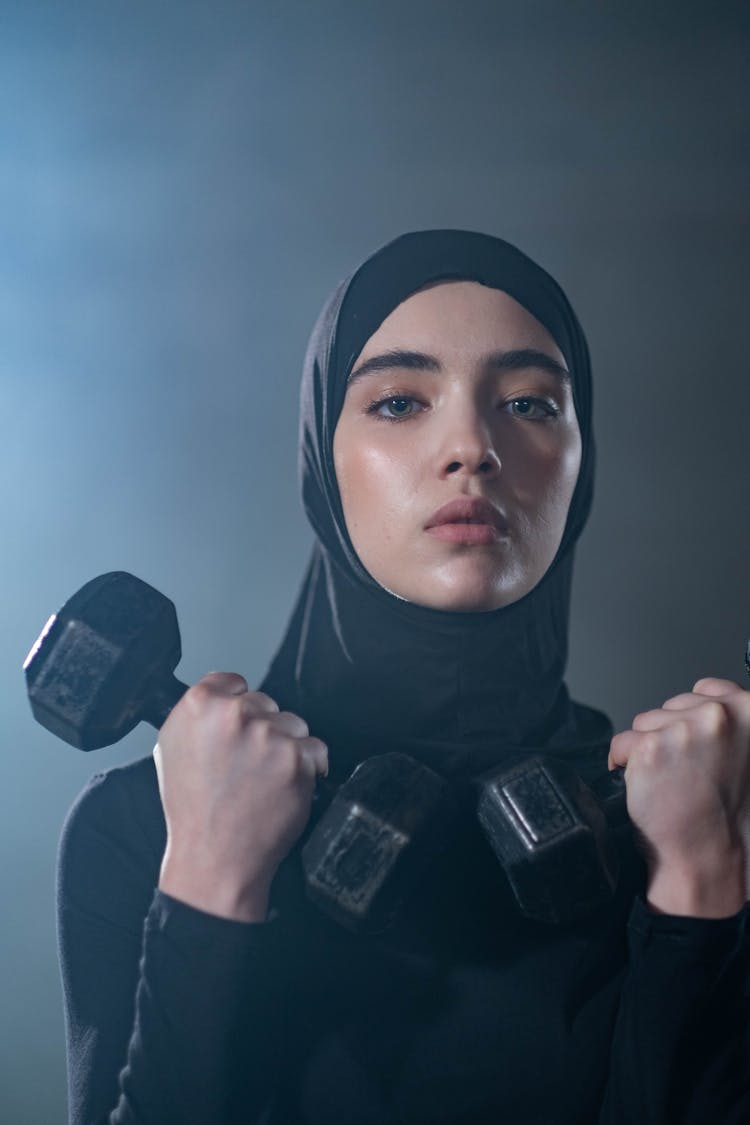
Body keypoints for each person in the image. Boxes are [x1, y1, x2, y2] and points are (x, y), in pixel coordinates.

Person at [57, 229, 750, 1124]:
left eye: (531, 403)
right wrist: (208, 888)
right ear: (321, 456)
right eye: (397, 403)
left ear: (583, 463)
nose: (471, 445)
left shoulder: (697, 820)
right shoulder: (143, 827)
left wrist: (697, 891)